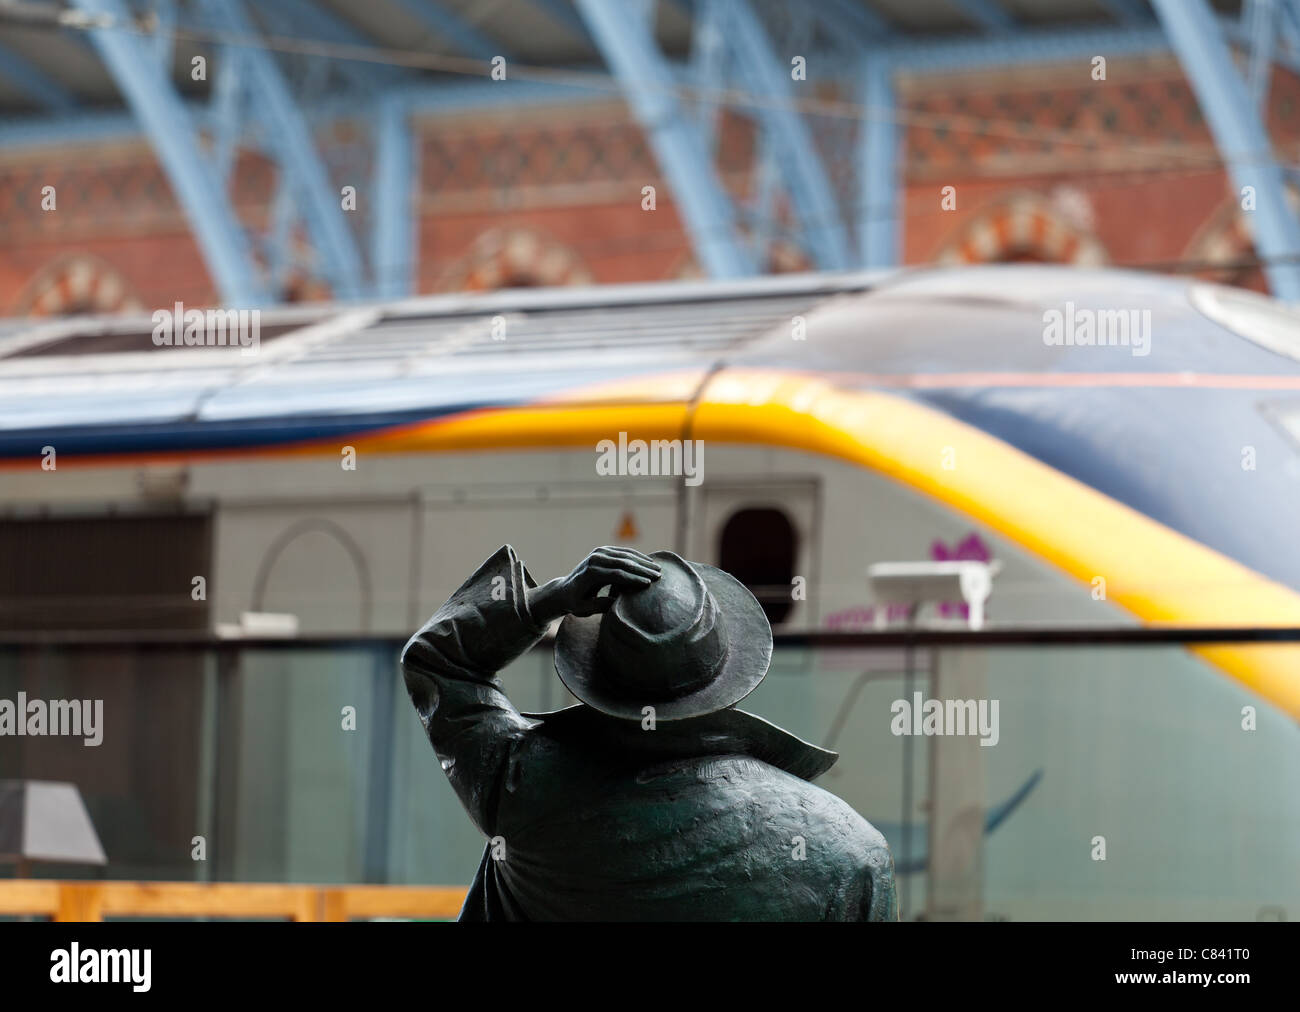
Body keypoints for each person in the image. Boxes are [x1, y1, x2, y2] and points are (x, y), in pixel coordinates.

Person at [401, 544, 898, 921]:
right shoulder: (850, 851)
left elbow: (438, 662)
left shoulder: (519, 783)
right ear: (727, 678)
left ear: (596, 676)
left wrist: (546, 601)